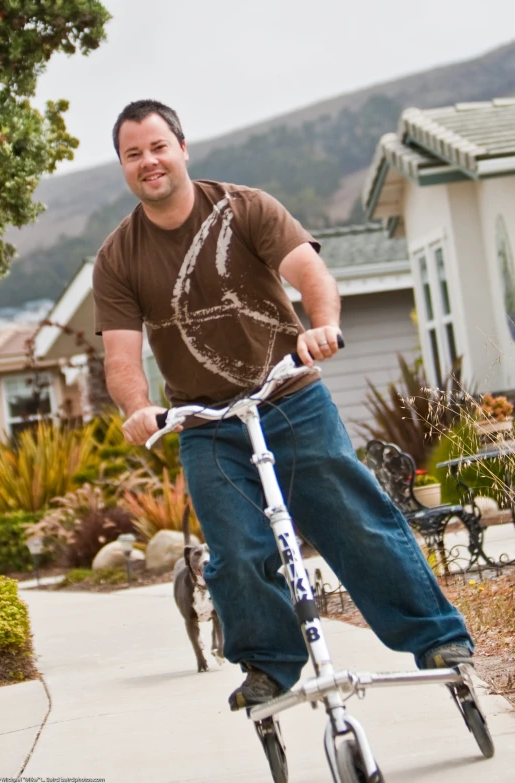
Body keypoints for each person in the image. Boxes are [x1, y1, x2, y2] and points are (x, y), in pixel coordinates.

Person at [93, 99, 473, 711]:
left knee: (354, 521)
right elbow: (120, 359)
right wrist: (139, 409)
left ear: (183, 149)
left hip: (288, 396)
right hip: (208, 423)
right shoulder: (118, 256)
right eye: (133, 154)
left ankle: (437, 639)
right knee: (238, 550)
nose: (149, 162)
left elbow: (309, 271)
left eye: (158, 147)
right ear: (123, 167)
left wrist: (321, 327)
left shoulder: (245, 208)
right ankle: (269, 664)